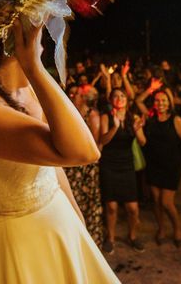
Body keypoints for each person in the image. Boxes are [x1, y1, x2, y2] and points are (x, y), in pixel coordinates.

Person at [0, 0, 119, 283]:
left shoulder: (29, 95)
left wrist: (76, 220)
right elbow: (85, 152)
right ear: (15, 46)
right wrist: (33, 67)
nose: (43, 45)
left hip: (57, 219)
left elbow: (52, 166)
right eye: (35, 38)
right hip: (21, 240)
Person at [136, 87, 181, 247]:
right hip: (153, 164)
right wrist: (150, 89)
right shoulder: (150, 118)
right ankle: (161, 229)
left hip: (171, 165)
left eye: (164, 100)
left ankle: (177, 227)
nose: (160, 103)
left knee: (166, 202)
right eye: (157, 100)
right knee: (156, 201)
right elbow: (138, 101)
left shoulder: (176, 120)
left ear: (169, 102)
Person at [99, 87, 146, 254]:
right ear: (111, 100)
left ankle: (132, 236)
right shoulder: (106, 117)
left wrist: (136, 128)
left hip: (127, 166)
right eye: (116, 96)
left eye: (122, 95)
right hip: (109, 165)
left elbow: (142, 142)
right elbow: (102, 140)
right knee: (111, 207)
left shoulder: (132, 117)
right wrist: (115, 127)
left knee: (132, 208)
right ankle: (110, 238)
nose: (119, 98)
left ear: (127, 99)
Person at [64, 84, 105, 248]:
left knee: (87, 203)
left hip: (85, 167)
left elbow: (95, 146)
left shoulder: (92, 115)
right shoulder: (71, 112)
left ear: (86, 98)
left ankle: (89, 241)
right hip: (71, 164)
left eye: (79, 94)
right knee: (72, 201)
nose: (74, 95)